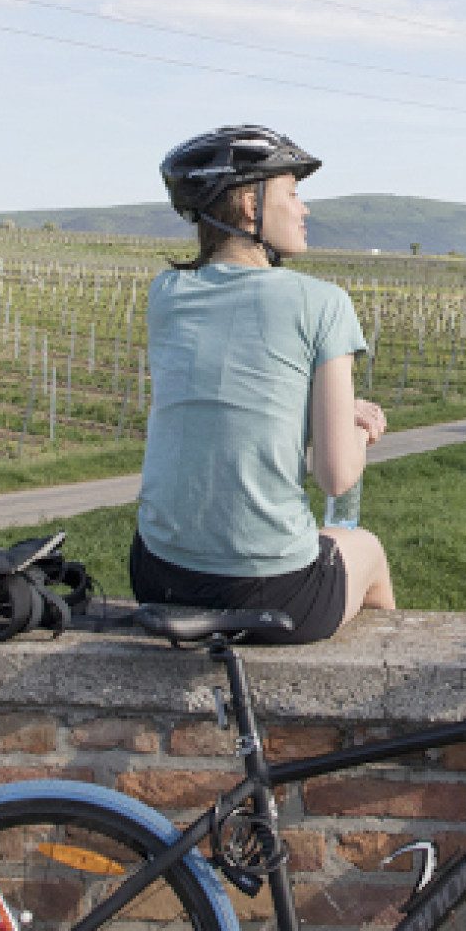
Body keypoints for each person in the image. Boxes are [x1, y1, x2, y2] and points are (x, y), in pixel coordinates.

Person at [130, 125, 396, 642]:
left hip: (158, 575)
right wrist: (358, 429)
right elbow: (336, 476)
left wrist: (330, 409)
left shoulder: (166, 293)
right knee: (367, 549)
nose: (304, 208)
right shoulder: (324, 304)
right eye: (292, 193)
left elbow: (231, 393)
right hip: (273, 592)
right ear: (251, 205)